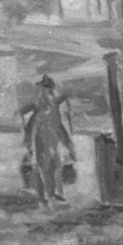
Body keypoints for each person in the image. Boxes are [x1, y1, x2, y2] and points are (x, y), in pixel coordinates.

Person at [22, 74, 74, 206]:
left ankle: (53, 193)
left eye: (48, 89)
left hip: (53, 141)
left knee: (55, 165)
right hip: (42, 140)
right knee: (43, 167)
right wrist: (29, 141)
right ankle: (43, 196)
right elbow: (31, 123)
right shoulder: (41, 106)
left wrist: (68, 144)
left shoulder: (52, 106)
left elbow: (59, 126)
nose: (47, 92)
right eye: (45, 89)